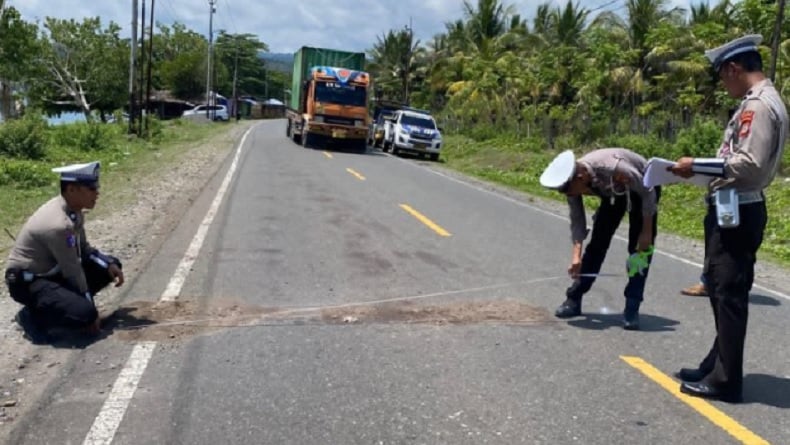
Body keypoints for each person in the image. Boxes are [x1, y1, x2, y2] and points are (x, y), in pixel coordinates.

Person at [668, 34, 788, 403]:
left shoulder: (758, 106)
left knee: (729, 295)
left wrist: (696, 165)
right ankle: (715, 364)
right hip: (734, 206)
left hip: (740, 208)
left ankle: (726, 381)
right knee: (721, 290)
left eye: (723, 77)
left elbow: (748, 164)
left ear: (734, 69)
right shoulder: (765, 101)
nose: (724, 85)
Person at [539, 148, 661, 330]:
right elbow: (577, 219)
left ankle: (632, 307)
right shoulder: (572, 182)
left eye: (571, 191)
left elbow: (648, 193)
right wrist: (576, 256)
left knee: (640, 251)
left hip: (642, 189)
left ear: (581, 177)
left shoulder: (615, 168)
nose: (571, 195)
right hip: (613, 195)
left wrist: (646, 232)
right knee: (597, 244)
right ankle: (574, 298)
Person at [4, 161, 124, 343]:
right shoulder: (59, 224)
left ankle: (67, 305)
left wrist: (109, 263)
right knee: (86, 314)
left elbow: (84, 250)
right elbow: (73, 269)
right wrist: (92, 314)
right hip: (28, 282)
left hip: (52, 272)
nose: (97, 192)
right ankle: (32, 315)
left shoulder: (73, 211)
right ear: (72, 189)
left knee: (110, 265)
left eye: (96, 186)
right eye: (91, 188)